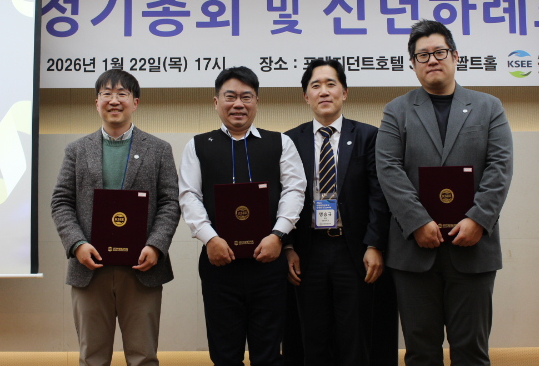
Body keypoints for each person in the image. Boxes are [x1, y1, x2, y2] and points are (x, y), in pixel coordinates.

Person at [376, 20, 513, 366]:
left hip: (473, 247)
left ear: (455, 56)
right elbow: (388, 170)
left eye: (439, 52)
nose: (432, 60)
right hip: (414, 250)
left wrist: (478, 219)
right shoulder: (396, 110)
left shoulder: (489, 107)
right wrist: (417, 222)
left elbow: (500, 167)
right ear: (413, 64)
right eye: (422, 55)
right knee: (421, 353)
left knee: (471, 352)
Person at [179, 66, 306, 366]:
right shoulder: (198, 146)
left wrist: (278, 236)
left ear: (257, 102)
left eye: (246, 97)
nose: (238, 104)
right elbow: (189, 196)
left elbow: (294, 191)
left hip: (269, 262)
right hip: (219, 263)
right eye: (230, 97)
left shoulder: (280, 143)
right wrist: (210, 239)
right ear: (216, 102)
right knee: (225, 354)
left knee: (268, 353)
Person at [51, 70, 180, 366]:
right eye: (106, 94)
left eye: (122, 94)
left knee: (143, 357)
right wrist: (77, 244)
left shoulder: (159, 149)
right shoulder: (76, 150)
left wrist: (156, 245)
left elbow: (170, 203)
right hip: (89, 268)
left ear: (135, 102)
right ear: (96, 102)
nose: (114, 100)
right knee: (92, 358)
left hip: (142, 268)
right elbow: (61, 202)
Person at [284, 59, 395, 366]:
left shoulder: (368, 136)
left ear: (344, 92)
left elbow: (379, 195)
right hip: (308, 251)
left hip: (354, 250)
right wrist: (288, 246)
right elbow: (283, 197)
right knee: (313, 336)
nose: (324, 91)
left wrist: (375, 244)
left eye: (331, 84)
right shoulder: (290, 140)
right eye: (315, 86)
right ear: (306, 96)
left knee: (354, 334)